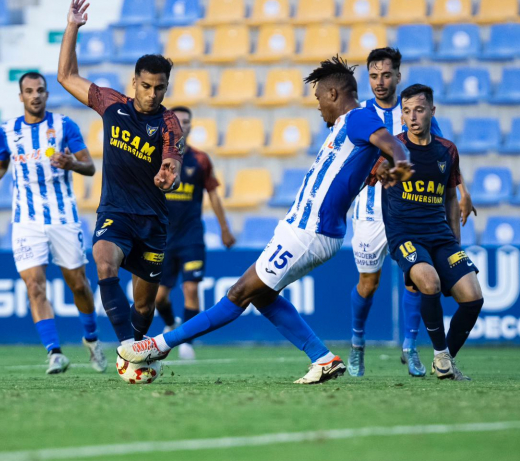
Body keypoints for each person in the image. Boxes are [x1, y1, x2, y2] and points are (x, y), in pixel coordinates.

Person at [118, 56, 413, 385]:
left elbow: (391, 144)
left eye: (318, 99)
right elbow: (364, 163)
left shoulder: (358, 118)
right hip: (300, 227)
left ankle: (156, 345)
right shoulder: (347, 130)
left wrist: (400, 161)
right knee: (261, 294)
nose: (318, 108)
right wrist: (381, 167)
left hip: (310, 231)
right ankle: (322, 358)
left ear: (332, 94)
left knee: (238, 293)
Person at [57, 0, 183, 346]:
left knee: (144, 306)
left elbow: (173, 157)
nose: (152, 94)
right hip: (116, 213)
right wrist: (73, 27)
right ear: (135, 83)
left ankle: (133, 345)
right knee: (103, 264)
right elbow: (66, 77)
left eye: (160, 88)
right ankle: (128, 349)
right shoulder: (112, 104)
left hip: (152, 222)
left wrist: (168, 172)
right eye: (146, 87)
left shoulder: (169, 123)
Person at [348, 47, 476, 378]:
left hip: (415, 211)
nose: (379, 82)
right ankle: (357, 343)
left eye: (386, 75)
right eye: (374, 76)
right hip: (370, 209)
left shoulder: (421, 114)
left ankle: (412, 347)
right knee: (369, 282)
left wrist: (463, 193)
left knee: (418, 283)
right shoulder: (360, 113)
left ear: (397, 77)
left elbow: (445, 166)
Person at [0, 72, 106, 374]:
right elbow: (1, 163)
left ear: (47, 95)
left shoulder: (63, 126)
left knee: (78, 285)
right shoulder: (7, 131)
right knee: (34, 286)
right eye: (29, 91)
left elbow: (89, 166)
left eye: (40, 90)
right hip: (25, 222)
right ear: (21, 96)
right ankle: (55, 353)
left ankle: (91, 338)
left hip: (63, 218)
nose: (35, 95)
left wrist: (71, 163)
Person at [378, 84, 484, 381]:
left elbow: (450, 198)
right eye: (407, 111)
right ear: (402, 116)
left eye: (419, 110)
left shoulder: (446, 150)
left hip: (441, 236)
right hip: (405, 235)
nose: (413, 117)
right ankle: (440, 356)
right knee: (430, 282)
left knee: (473, 297)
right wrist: (382, 173)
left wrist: (456, 243)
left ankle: (444, 359)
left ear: (431, 112)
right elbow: (377, 173)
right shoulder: (392, 149)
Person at [154, 106, 235, 360]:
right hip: (162, 238)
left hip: (191, 237)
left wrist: (224, 229)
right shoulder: (157, 158)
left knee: (191, 289)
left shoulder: (200, 159)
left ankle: (187, 342)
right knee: (159, 298)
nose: (183, 124)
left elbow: (213, 194)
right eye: (178, 121)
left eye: (186, 121)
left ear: (190, 126)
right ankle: (170, 324)